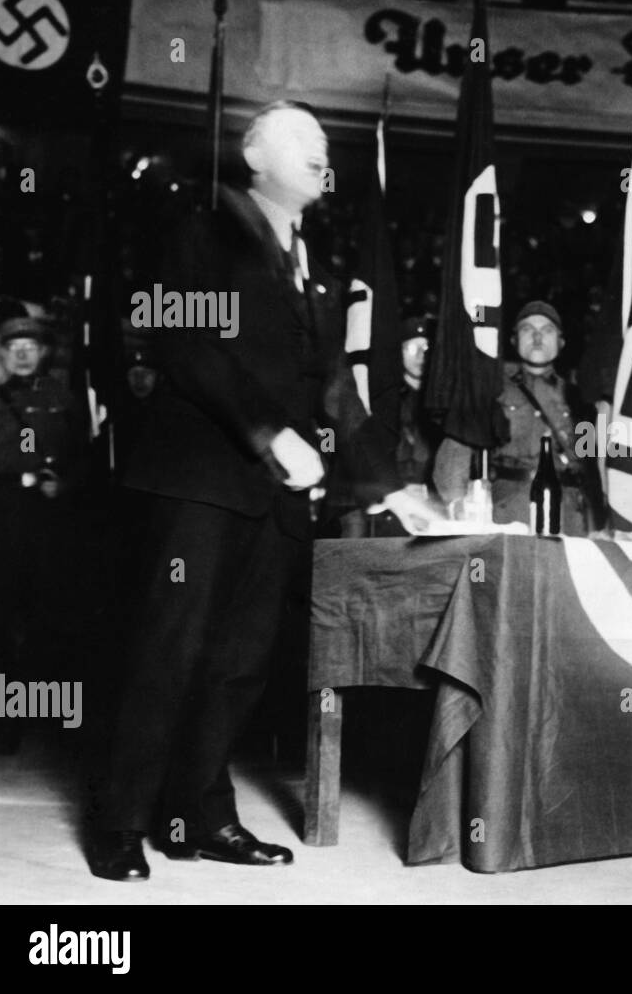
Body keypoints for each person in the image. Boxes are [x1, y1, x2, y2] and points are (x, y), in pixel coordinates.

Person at [88, 101, 438, 882]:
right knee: (166, 653)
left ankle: (200, 817)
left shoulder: (309, 255)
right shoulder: (202, 227)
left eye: (324, 148)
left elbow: (334, 383)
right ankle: (120, 822)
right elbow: (185, 340)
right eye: (305, 144)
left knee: (241, 663)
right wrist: (268, 432)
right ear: (256, 156)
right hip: (199, 483)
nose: (323, 158)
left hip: (273, 500)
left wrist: (390, 485)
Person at [0, 301, 85, 754]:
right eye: (13, 347)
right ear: (2, 354)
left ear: (42, 352)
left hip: (53, 520)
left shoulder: (65, 400)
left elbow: (90, 457)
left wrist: (67, 484)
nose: (22, 355)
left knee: (50, 617)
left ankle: (50, 722)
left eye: (30, 347)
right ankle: (2, 724)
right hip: (2, 518)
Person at [434, 300, 593, 534]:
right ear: (513, 340)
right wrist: (459, 509)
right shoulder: (492, 388)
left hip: (567, 511)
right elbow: (457, 448)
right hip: (511, 508)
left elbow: (588, 463)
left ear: (561, 342)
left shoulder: (578, 396)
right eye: (528, 330)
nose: (538, 338)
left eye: (547, 331)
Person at [328, 314, 442, 538]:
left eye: (427, 348)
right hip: (377, 502)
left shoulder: (441, 404)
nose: (421, 356)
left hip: (426, 506)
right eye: (411, 348)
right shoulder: (379, 399)